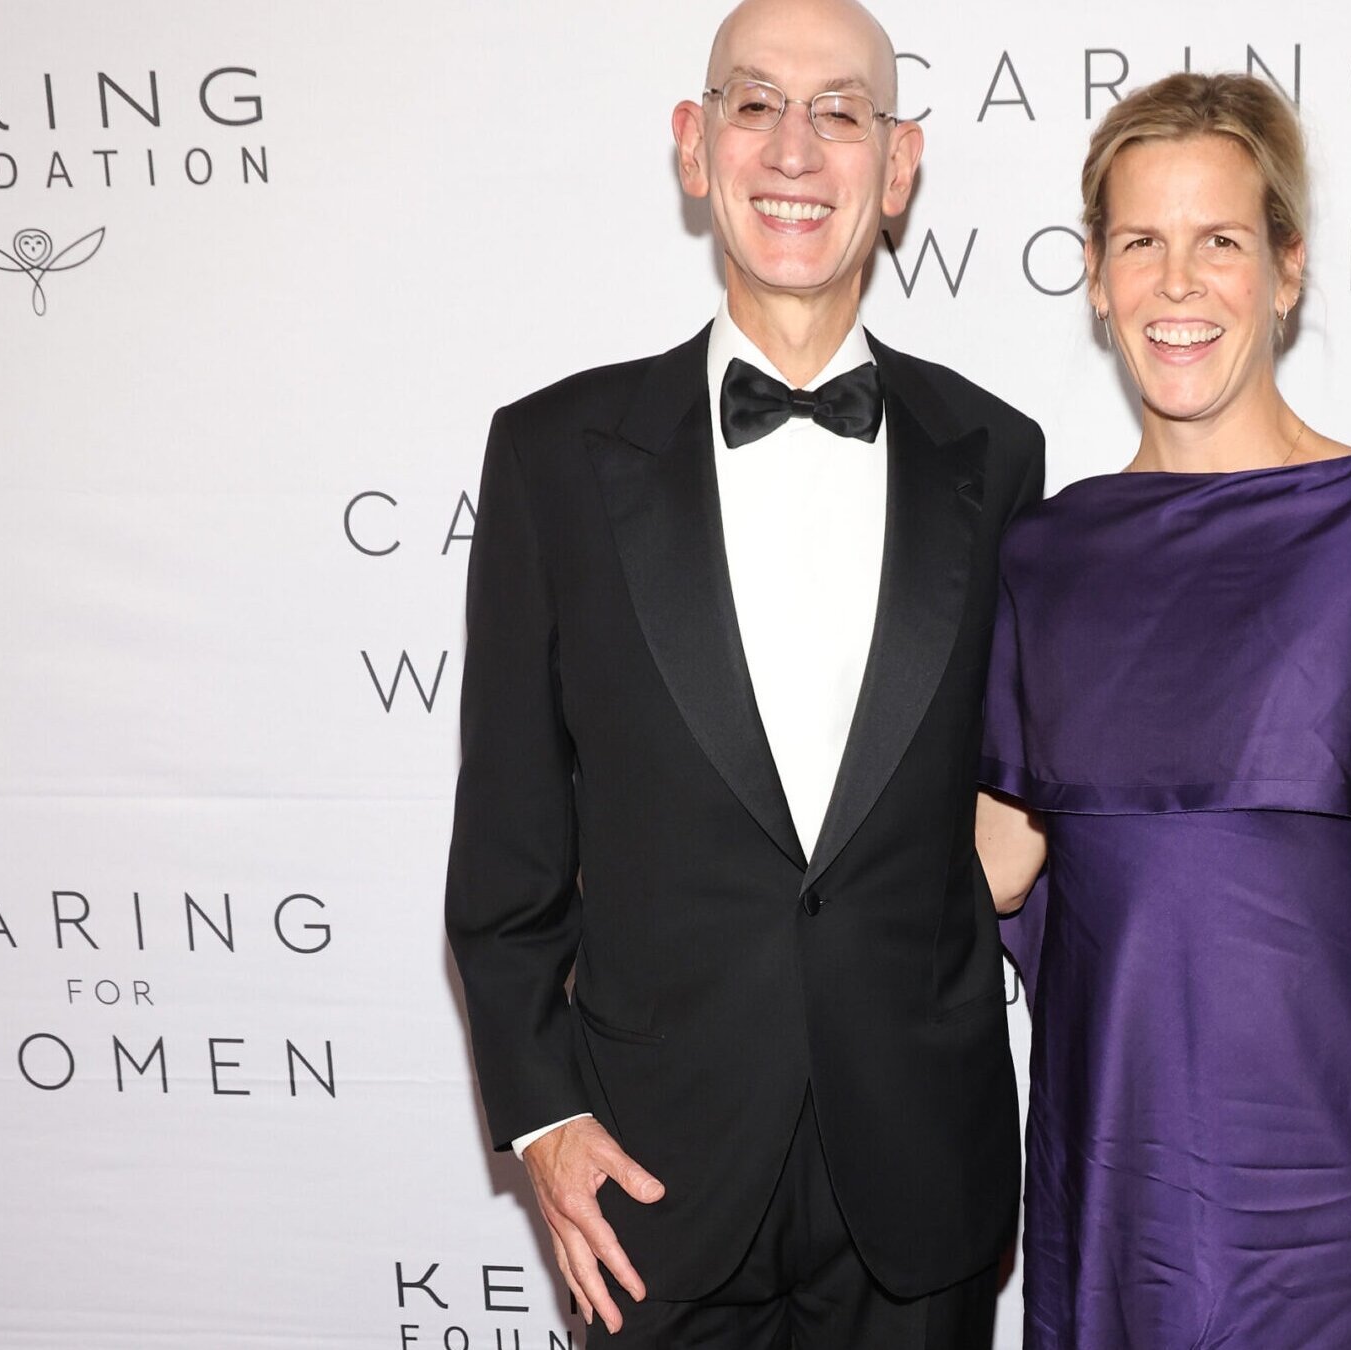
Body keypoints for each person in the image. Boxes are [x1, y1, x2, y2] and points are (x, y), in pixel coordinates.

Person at [444, 0, 1043, 1344]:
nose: (794, 148)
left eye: (841, 110)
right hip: (653, 1183)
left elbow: (1021, 779)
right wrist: (541, 1115)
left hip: (922, 1183)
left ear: (898, 167)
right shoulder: (552, 456)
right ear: (693, 144)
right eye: (754, 101)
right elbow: (507, 854)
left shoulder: (998, 456)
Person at [975, 72, 1351, 1350]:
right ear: (1094, 276)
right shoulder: (1043, 555)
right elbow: (997, 866)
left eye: (1221, 242)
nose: (1177, 283)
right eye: (1142, 241)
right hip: (1109, 1195)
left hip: (1337, 1206)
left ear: (1288, 271)